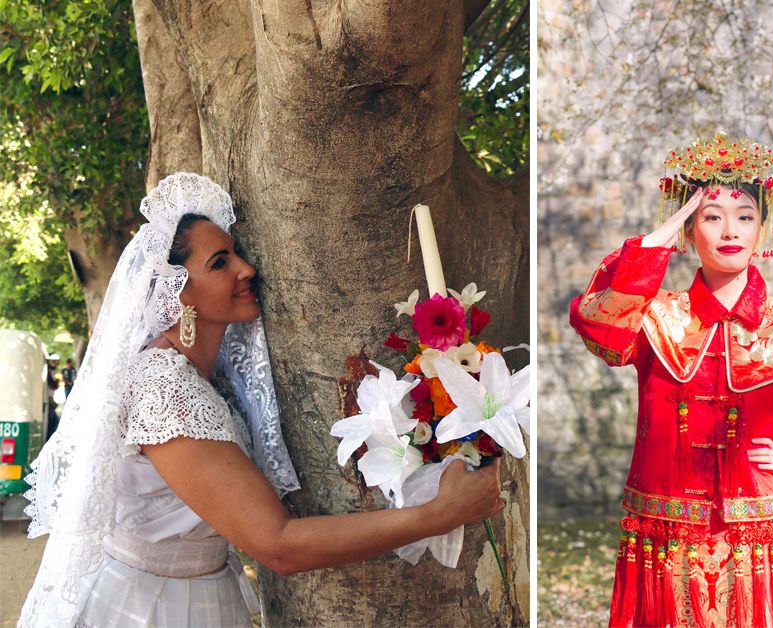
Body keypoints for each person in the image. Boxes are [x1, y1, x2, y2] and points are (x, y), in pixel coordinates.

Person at [20, 173, 502, 627]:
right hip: (153, 607)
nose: (247, 269)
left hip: (194, 593)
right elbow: (277, 545)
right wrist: (438, 514)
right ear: (177, 294)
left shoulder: (201, 379)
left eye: (236, 254)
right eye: (219, 262)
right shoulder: (164, 388)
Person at [570, 134, 773, 627]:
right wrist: (665, 228)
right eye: (711, 217)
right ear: (690, 230)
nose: (729, 231)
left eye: (745, 217)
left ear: (762, 230)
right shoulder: (655, 317)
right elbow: (599, 327)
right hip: (667, 533)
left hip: (761, 531)